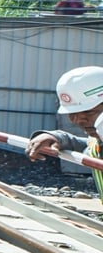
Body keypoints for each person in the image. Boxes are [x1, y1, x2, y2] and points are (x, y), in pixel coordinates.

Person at [27, 64, 103, 201]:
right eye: (72, 114)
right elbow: (92, 147)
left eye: (89, 111)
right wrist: (57, 137)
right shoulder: (97, 139)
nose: (79, 120)